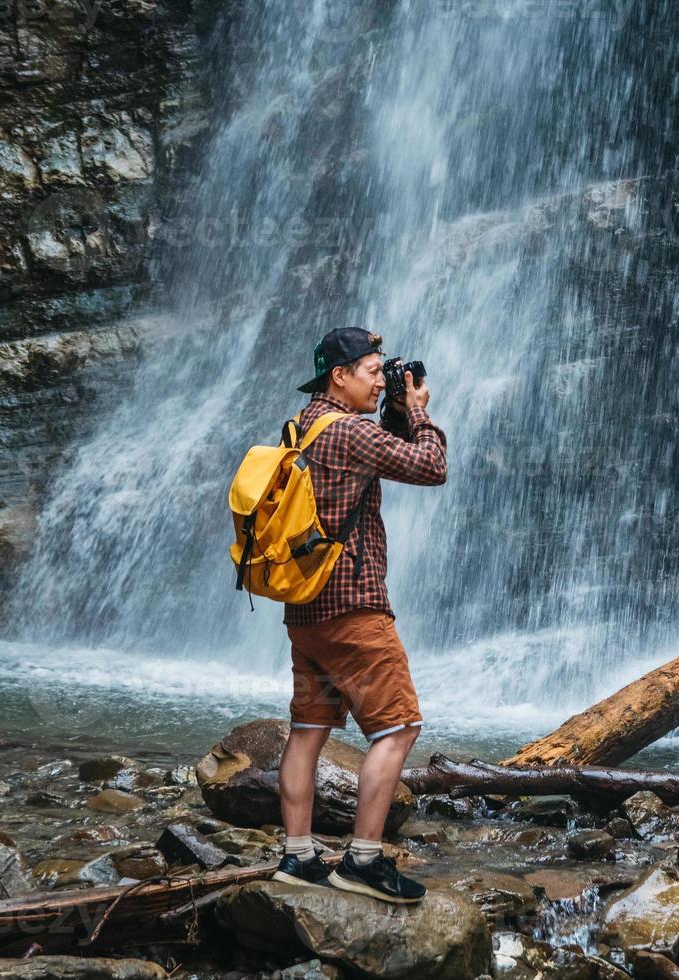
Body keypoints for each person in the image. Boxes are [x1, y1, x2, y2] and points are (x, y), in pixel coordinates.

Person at [270, 327, 447, 903]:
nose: (380, 381)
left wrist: (392, 411)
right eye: (372, 371)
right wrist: (417, 412)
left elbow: (372, 462)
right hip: (354, 609)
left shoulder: (304, 426)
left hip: (307, 612)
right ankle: (363, 860)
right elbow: (429, 466)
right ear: (338, 376)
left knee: (309, 728)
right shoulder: (349, 430)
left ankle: (297, 855)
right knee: (399, 726)